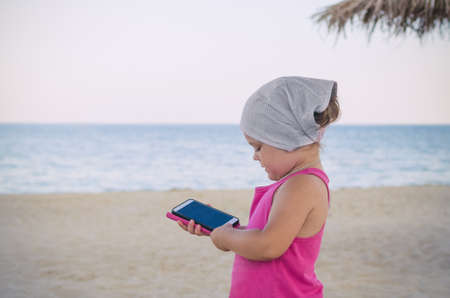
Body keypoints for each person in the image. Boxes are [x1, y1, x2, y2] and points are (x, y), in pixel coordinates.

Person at [178, 76, 340, 298]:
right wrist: (225, 232)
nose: (255, 157)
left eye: (258, 147)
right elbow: (268, 236)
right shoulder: (294, 183)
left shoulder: (302, 185)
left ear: (285, 138)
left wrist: (226, 240)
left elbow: (268, 246)